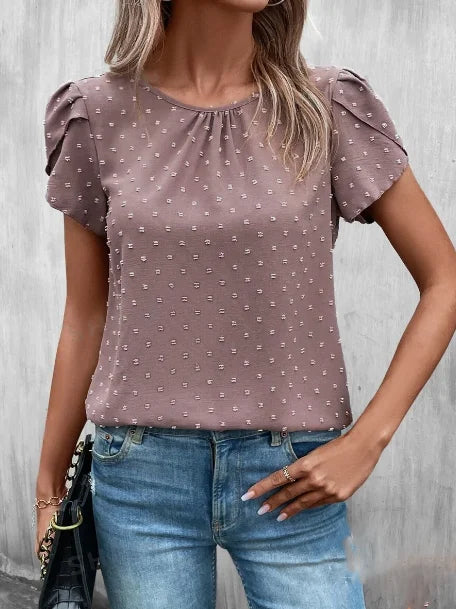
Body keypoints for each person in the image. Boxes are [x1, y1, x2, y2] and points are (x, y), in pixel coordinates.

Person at [35, 1, 456, 608]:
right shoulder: (97, 114)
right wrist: (50, 489)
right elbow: (84, 317)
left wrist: (368, 441)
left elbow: (444, 280)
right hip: (141, 476)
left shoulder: (325, 106)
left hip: (292, 476)